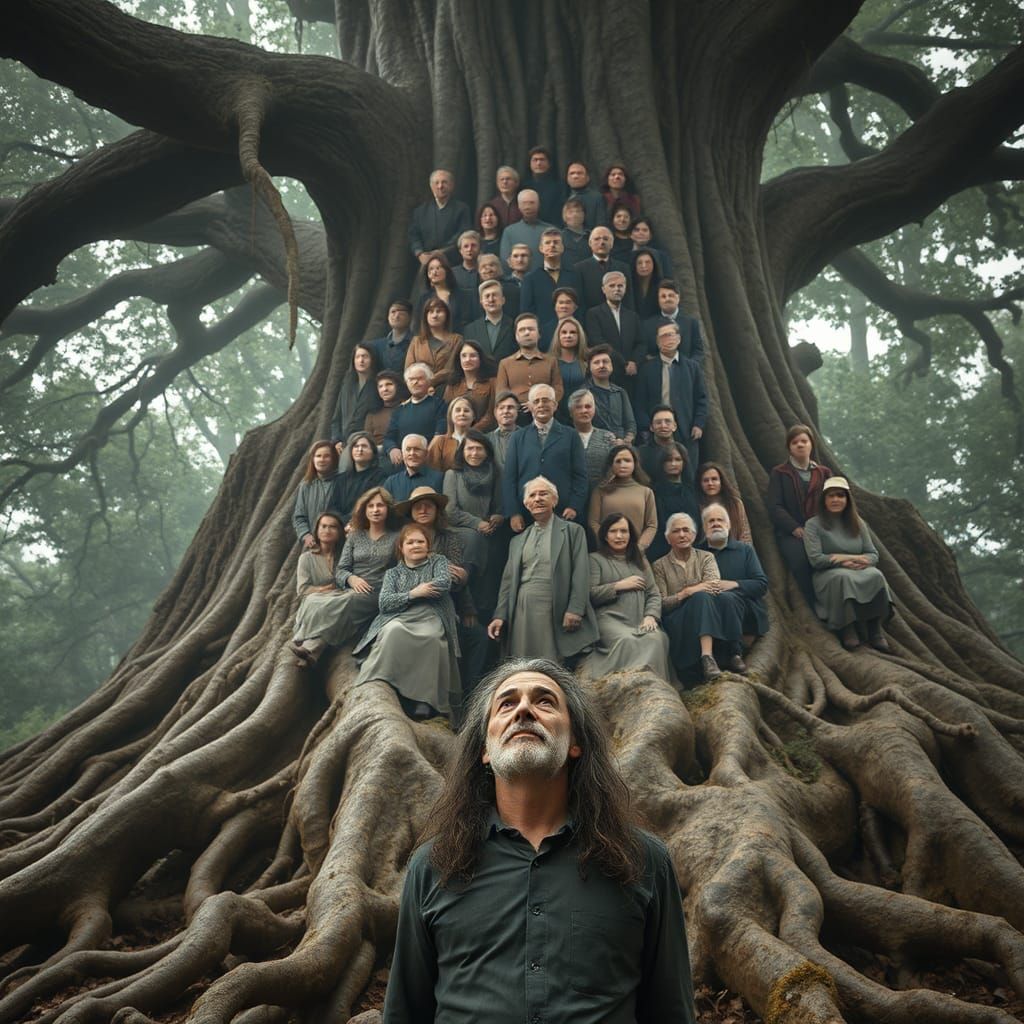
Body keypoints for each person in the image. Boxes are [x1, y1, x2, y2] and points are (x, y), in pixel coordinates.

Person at [382, 656, 697, 1023]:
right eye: (507, 703)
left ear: (575, 743)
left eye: (545, 701)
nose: (524, 710)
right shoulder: (434, 865)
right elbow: (405, 1011)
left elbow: (670, 1011)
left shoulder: (643, 861)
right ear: (485, 749)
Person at [354, 523, 461, 720]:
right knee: (393, 631)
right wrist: (414, 593)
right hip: (400, 615)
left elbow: (443, 583)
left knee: (432, 639)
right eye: (410, 542)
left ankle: (424, 701)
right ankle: (386, 683)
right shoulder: (392, 573)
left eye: (420, 541)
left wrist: (412, 593)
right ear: (401, 548)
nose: (415, 545)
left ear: (427, 545)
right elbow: (385, 603)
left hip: (432, 613)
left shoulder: (438, 561)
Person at [488, 476, 598, 662]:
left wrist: (575, 609)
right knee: (523, 665)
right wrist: (500, 615)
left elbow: (581, 573)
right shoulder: (517, 541)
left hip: (555, 606)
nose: (537, 498)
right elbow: (507, 583)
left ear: (554, 500)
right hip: (522, 609)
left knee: (552, 664)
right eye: (532, 495)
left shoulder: (573, 531)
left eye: (543, 494)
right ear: (526, 503)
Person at [290, 493, 400, 665]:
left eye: (380, 506)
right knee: (313, 600)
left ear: (388, 509)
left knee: (344, 601)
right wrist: (351, 579)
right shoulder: (355, 537)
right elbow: (341, 569)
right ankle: (311, 652)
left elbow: (403, 568)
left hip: (378, 591)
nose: (375, 510)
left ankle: (309, 645)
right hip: (352, 588)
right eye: (370, 506)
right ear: (364, 510)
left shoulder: (397, 538)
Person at [803, 477, 892, 651]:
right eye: (831, 496)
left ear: (847, 500)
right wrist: (845, 560)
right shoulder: (813, 525)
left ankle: (875, 630)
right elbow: (816, 560)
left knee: (876, 575)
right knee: (843, 578)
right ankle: (847, 628)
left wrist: (854, 560)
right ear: (824, 500)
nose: (836, 500)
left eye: (840, 496)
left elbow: (873, 554)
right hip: (828, 574)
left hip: (859, 569)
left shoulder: (858, 523)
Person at [582, 514, 671, 681]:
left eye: (624, 531)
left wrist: (651, 616)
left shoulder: (640, 560)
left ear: (631, 535)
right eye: (613, 531)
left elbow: (653, 593)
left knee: (657, 638)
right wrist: (618, 585)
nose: (619, 536)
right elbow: (589, 594)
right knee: (626, 641)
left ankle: (652, 682)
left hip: (639, 619)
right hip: (609, 620)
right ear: (605, 536)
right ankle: (630, 682)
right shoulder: (595, 559)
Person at [653, 512, 731, 683]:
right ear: (668, 538)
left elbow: (714, 587)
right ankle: (706, 659)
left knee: (706, 598)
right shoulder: (659, 566)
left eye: (686, 530)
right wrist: (686, 593)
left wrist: (693, 592)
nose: (682, 534)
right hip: (677, 619)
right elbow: (662, 604)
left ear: (694, 535)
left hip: (704, 613)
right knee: (700, 597)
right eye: (676, 531)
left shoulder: (706, 557)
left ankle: (708, 657)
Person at [502, 383, 587, 528]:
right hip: (526, 514)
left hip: (563, 512)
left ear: (555, 405)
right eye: (536, 401)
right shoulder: (517, 437)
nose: (541, 405)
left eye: (546, 400)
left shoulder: (571, 435)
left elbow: (580, 475)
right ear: (529, 407)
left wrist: (574, 506)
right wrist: (514, 513)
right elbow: (509, 478)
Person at [766, 423, 833, 606]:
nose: (800, 445)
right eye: (795, 442)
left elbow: (833, 503)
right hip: (792, 534)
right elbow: (774, 506)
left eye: (804, 441)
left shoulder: (824, 473)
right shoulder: (779, 473)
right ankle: (816, 605)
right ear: (789, 447)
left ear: (812, 444)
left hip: (822, 530)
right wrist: (794, 527)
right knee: (801, 562)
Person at [698, 504, 769, 672]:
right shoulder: (697, 553)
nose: (716, 524)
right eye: (711, 521)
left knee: (727, 597)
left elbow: (761, 584)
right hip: (710, 612)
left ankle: (734, 654)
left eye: (720, 520)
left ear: (729, 525)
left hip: (746, 611)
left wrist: (734, 584)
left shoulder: (744, 550)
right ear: (704, 527)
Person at [633, 322, 707, 484]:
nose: (668, 339)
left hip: (686, 429)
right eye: (663, 336)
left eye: (671, 335)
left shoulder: (692, 368)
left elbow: (701, 398)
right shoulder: (647, 369)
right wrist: (647, 428)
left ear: (679, 339)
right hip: (657, 430)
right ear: (658, 342)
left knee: (687, 474)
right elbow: (639, 402)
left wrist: (698, 424)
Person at [444, 430, 504, 613]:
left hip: (491, 532)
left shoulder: (496, 472)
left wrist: (498, 516)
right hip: (461, 532)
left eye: (479, 449)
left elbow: (499, 504)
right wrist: (477, 524)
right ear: (462, 451)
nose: (474, 453)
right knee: (474, 543)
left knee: (490, 584)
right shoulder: (453, 474)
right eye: (469, 448)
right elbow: (450, 511)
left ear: (487, 452)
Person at [588, 444, 658, 552]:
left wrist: (639, 547)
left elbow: (652, 525)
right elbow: (593, 522)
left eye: (627, 460)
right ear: (611, 464)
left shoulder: (645, 492)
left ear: (635, 463)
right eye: (618, 461)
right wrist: (607, 543)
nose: (623, 464)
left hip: (636, 554)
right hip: (606, 552)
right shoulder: (600, 490)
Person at [495, 312, 565, 417]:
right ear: (516, 336)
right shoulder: (505, 363)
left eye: (531, 329)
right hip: (517, 415)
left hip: (545, 413)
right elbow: (501, 393)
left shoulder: (551, 361)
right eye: (522, 330)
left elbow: (558, 388)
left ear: (539, 334)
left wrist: (541, 403)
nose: (527, 333)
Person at [584, 270, 643, 384]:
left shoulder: (632, 316)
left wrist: (634, 362)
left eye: (620, 285)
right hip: (607, 373)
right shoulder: (593, 314)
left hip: (631, 374)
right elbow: (598, 342)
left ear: (625, 289)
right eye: (612, 285)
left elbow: (641, 343)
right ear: (603, 289)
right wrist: (623, 363)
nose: (617, 289)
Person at [383, 363, 448, 462]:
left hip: (431, 460)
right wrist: (392, 449)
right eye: (411, 379)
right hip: (404, 462)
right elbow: (389, 438)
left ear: (429, 381)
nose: (415, 382)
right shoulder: (400, 410)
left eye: (420, 378)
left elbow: (440, 434)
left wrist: (426, 454)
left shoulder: (438, 404)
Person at [648, 441, 700, 562]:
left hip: (692, 549)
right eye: (668, 460)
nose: (673, 463)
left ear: (684, 462)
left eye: (678, 459)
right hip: (662, 551)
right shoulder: (653, 492)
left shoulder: (692, 490)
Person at [408, 168, 472, 266]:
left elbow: (462, 233)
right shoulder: (420, 211)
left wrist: (441, 252)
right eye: (436, 183)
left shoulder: (462, 209)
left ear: (452, 185)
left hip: (453, 261)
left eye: (444, 182)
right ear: (431, 186)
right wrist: (419, 253)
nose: (440, 186)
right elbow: (414, 235)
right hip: (427, 262)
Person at [520, 228, 583, 324]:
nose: (552, 245)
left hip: (569, 332)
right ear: (541, 248)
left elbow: (581, 307)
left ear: (562, 247)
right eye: (548, 243)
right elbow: (526, 312)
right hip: (542, 334)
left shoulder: (575, 275)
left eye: (556, 242)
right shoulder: (530, 279)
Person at [330, 343, 382, 454]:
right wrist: (336, 440)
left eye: (365, 356)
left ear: (372, 359)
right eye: (357, 357)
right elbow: (337, 417)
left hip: (368, 443)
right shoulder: (347, 386)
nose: (361, 360)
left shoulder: (379, 384)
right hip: (345, 444)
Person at [639, 279, 703, 361]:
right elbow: (645, 353)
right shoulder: (647, 325)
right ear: (658, 300)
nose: (667, 299)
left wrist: (688, 368)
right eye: (663, 296)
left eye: (671, 295)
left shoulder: (691, 323)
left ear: (678, 298)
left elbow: (698, 352)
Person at [292, 440, 341, 549]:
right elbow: (299, 517)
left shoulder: (343, 482)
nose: (322, 460)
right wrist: (305, 535)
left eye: (326, 456)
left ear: (333, 458)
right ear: (313, 460)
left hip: (338, 546)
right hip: (313, 546)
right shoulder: (306, 485)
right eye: (318, 456)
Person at [443, 337, 498, 431]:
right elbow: (447, 414)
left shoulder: (492, 383)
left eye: (473, 356)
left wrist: (470, 432)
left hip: (484, 435)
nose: (467, 359)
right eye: (463, 356)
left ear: (480, 358)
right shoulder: (452, 384)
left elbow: (491, 415)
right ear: (458, 359)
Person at [573, 225, 632, 311]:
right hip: (590, 320)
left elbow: (629, 300)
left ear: (612, 244)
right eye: (597, 239)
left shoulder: (623, 268)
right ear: (590, 243)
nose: (602, 242)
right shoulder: (579, 269)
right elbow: (579, 302)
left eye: (605, 239)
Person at [567, 387, 616, 490]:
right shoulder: (563, 438)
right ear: (571, 412)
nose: (584, 410)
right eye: (578, 407)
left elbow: (613, 469)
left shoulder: (608, 437)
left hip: (603, 494)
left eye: (588, 406)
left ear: (594, 409)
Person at [586, 344, 637, 443]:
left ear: (612, 365)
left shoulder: (620, 392)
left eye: (605, 362)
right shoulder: (584, 393)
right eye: (596, 362)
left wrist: (626, 440)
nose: (602, 365)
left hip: (621, 445)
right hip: (595, 444)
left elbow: (630, 424)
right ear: (589, 367)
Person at [409, 290, 464, 374]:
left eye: (439, 311)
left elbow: (452, 369)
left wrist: (432, 380)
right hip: (420, 385)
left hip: (448, 385)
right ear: (425, 316)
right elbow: (409, 370)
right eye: (431, 312)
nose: (434, 315)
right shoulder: (416, 341)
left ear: (446, 315)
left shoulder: (456, 340)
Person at [335, 430, 387, 518]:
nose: (360, 450)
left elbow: (372, 504)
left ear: (373, 452)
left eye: (364, 446)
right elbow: (333, 507)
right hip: (340, 525)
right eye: (356, 446)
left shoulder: (380, 476)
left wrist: (352, 523)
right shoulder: (341, 479)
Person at [697, 461, 752, 544]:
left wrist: (745, 553)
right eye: (706, 480)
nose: (710, 483)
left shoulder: (735, 503)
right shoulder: (697, 505)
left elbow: (745, 533)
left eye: (714, 479)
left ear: (721, 482)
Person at [463, 279, 516, 361]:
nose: (491, 299)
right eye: (487, 296)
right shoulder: (470, 330)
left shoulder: (515, 326)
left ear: (503, 300)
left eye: (495, 295)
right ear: (481, 302)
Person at [382, 433, 444, 502]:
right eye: (408, 449)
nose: (412, 453)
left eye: (417, 449)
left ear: (426, 453)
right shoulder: (391, 482)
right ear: (402, 453)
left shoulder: (440, 479)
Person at [498, 189, 552, 264]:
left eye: (532, 203)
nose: (528, 207)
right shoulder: (509, 232)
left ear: (538, 204)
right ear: (519, 206)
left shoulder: (551, 231)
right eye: (524, 203)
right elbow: (505, 260)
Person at [427, 395, 477, 472]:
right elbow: (432, 471)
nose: (462, 414)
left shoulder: (480, 442)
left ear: (473, 416)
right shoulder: (439, 442)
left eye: (466, 410)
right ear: (450, 415)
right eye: (458, 410)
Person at [363, 370, 407, 450]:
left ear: (398, 386)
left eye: (389, 384)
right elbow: (368, 443)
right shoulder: (372, 415)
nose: (384, 389)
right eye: (380, 386)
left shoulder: (407, 408)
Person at [522, 144, 564, 225]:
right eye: (535, 160)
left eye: (542, 160)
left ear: (549, 163)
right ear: (530, 163)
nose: (538, 163)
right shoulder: (524, 187)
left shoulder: (559, 186)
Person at [369, 301, 415, 373]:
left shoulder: (418, 344)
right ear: (388, 316)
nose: (396, 316)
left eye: (402, 313)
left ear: (410, 317)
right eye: (393, 312)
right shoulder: (376, 345)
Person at [637, 404, 680, 478]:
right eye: (658, 422)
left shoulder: (681, 451)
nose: (663, 426)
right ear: (651, 427)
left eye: (667, 421)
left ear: (674, 426)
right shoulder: (640, 453)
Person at [552, 314, 589, 401]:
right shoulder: (550, 362)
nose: (568, 336)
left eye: (573, 332)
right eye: (564, 332)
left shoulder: (587, 361)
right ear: (558, 336)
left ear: (579, 336)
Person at [564, 159, 606, 229]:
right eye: (572, 173)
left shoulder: (597, 198)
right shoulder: (562, 197)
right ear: (567, 178)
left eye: (579, 173)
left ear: (587, 178)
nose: (575, 176)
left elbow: (601, 225)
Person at [486, 389, 519, 472]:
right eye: (501, 408)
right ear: (495, 412)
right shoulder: (486, 440)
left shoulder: (528, 437)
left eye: (510, 407)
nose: (506, 411)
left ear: (517, 411)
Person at [630, 247, 665, 321]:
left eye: (647, 262)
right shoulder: (628, 285)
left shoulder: (662, 285)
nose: (643, 266)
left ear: (654, 264)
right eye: (639, 263)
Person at [560, 195, 590, 266]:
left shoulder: (593, 237)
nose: (575, 215)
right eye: (570, 212)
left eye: (578, 211)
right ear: (564, 216)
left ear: (584, 215)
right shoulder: (559, 238)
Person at [451, 230, 482, 294]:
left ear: (480, 248)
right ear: (460, 250)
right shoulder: (452, 273)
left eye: (473, 245)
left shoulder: (486, 271)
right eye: (466, 246)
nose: (469, 249)